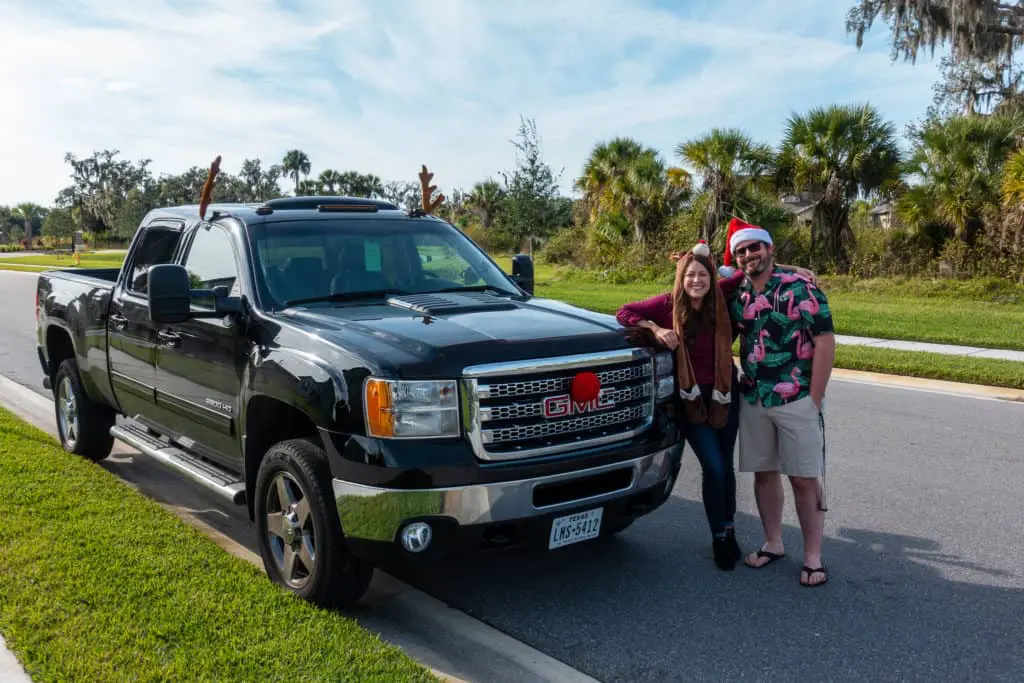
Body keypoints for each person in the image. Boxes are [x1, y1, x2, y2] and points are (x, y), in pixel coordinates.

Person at [616, 240, 814, 571]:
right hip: (689, 399)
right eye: (690, 275)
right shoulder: (667, 305)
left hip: (725, 394)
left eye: (703, 275)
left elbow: (755, 268)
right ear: (682, 278)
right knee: (714, 467)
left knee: (725, 465)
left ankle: (729, 530)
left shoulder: (720, 298)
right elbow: (625, 312)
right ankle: (719, 536)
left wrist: (797, 271)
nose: (697, 281)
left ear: (711, 277)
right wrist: (656, 328)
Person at [724, 220, 836, 588]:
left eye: (755, 247)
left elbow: (824, 340)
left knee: (804, 479)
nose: (748, 255)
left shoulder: (800, 288)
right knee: (764, 472)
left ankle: (813, 556)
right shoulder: (737, 291)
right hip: (754, 396)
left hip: (796, 398)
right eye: (741, 250)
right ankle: (773, 542)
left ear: (769, 249)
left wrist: (814, 399)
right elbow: (705, 272)